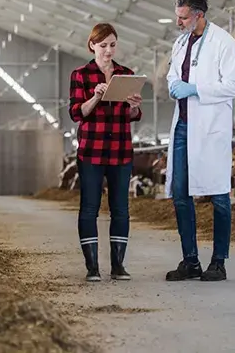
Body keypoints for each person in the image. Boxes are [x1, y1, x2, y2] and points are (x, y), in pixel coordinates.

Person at [163, 0, 235, 282]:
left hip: (210, 128)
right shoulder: (180, 42)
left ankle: (218, 261)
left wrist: (196, 88)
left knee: (219, 194)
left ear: (198, 15)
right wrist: (175, 84)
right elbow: (173, 73)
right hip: (183, 125)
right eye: (177, 17)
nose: (178, 23)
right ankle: (190, 260)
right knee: (181, 194)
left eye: (183, 17)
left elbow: (234, 86)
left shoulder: (224, 42)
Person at [69, 23, 143, 282]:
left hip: (121, 150)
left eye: (112, 45)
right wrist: (95, 97)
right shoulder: (81, 75)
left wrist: (133, 106)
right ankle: (92, 267)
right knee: (89, 208)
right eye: (103, 45)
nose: (108, 50)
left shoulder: (126, 75)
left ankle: (118, 266)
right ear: (92, 45)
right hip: (91, 150)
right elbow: (77, 113)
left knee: (120, 209)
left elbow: (133, 116)